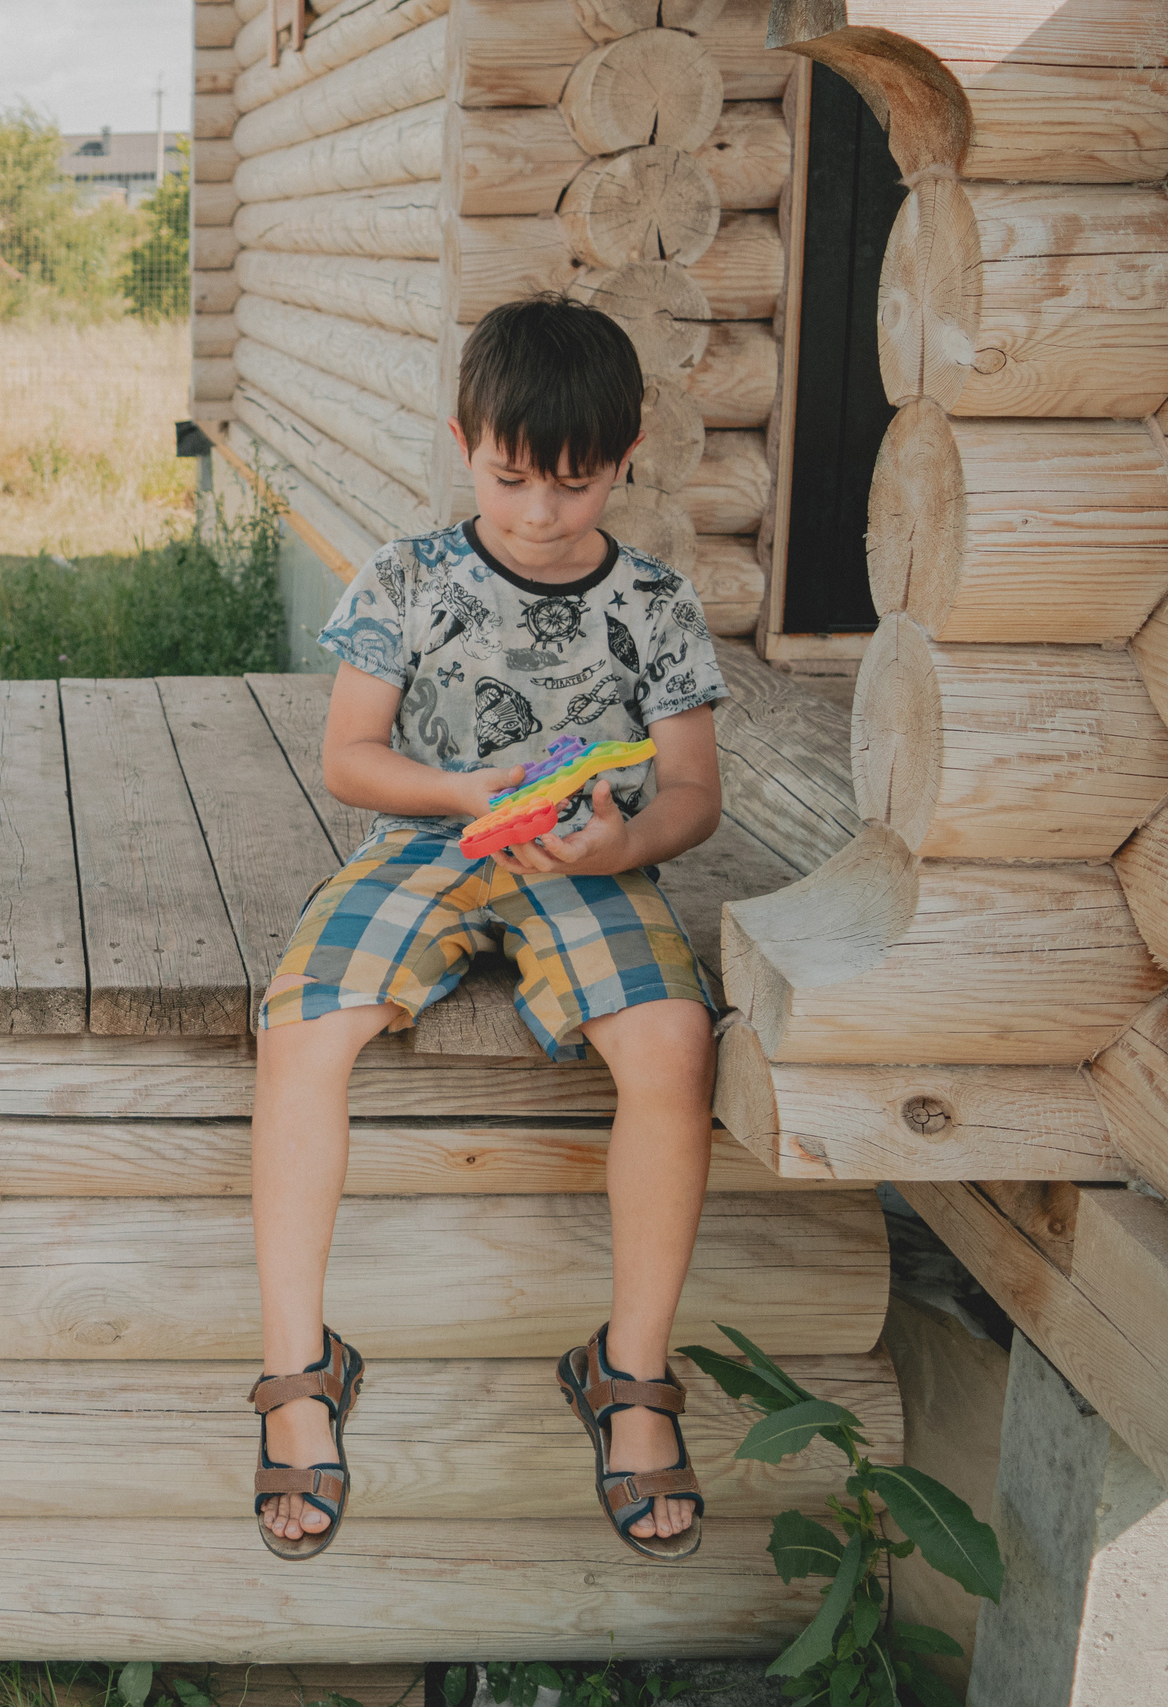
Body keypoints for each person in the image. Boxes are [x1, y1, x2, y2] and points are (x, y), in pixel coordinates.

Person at [248, 294, 728, 1563]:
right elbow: (351, 759)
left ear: (626, 461)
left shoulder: (659, 605)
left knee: (674, 1042)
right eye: (511, 478)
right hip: (429, 838)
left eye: (573, 487)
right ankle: (299, 1370)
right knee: (303, 1028)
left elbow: (692, 794)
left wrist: (619, 843)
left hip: (584, 861)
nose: (537, 512)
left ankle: (626, 1375)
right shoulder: (409, 579)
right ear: (466, 442)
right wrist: (462, 792)